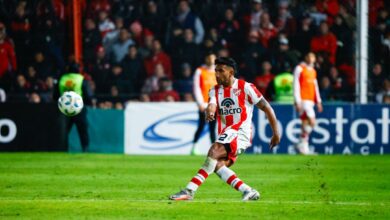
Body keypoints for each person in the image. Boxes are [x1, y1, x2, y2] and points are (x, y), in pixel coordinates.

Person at [170, 57, 280, 201]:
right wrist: (209, 110)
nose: (216, 74)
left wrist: (276, 133)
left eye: (221, 71)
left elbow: (267, 107)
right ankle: (248, 191)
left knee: (213, 152)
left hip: (240, 132)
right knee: (217, 165)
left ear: (231, 72)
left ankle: (189, 190)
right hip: (227, 133)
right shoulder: (215, 90)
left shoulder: (246, 87)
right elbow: (212, 104)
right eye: (215, 71)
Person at [54, 63, 93, 152]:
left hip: (63, 108)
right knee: (82, 129)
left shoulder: (62, 79)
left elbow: (55, 95)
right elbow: (87, 94)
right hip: (78, 108)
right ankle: (85, 148)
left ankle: (59, 148)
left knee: (63, 130)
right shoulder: (81, 79)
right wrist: (88, 102)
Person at [293, 52, 323, 155]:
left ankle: (302, 147)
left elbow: (315, 86)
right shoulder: (300, 68)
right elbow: (296, 84)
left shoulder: (313, 71)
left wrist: (318, 101)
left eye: (313, 57)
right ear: (306, 57)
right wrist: (297, 101)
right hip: (303, 100)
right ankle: (301, 144)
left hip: (311, 100)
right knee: (312, 122)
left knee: (305, 123)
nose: (311, 58)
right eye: (309, 56)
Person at [191, 52, 217, 155]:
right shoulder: (200, 71)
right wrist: (200, 103)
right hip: (204, 103)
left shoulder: (217, 71)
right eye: (209, 58)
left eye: (212, 58)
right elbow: (196, 87)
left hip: (213, 104)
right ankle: (194, 146)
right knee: (201, 126)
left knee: (212, 127)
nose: (211, 60)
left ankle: (213, 150)